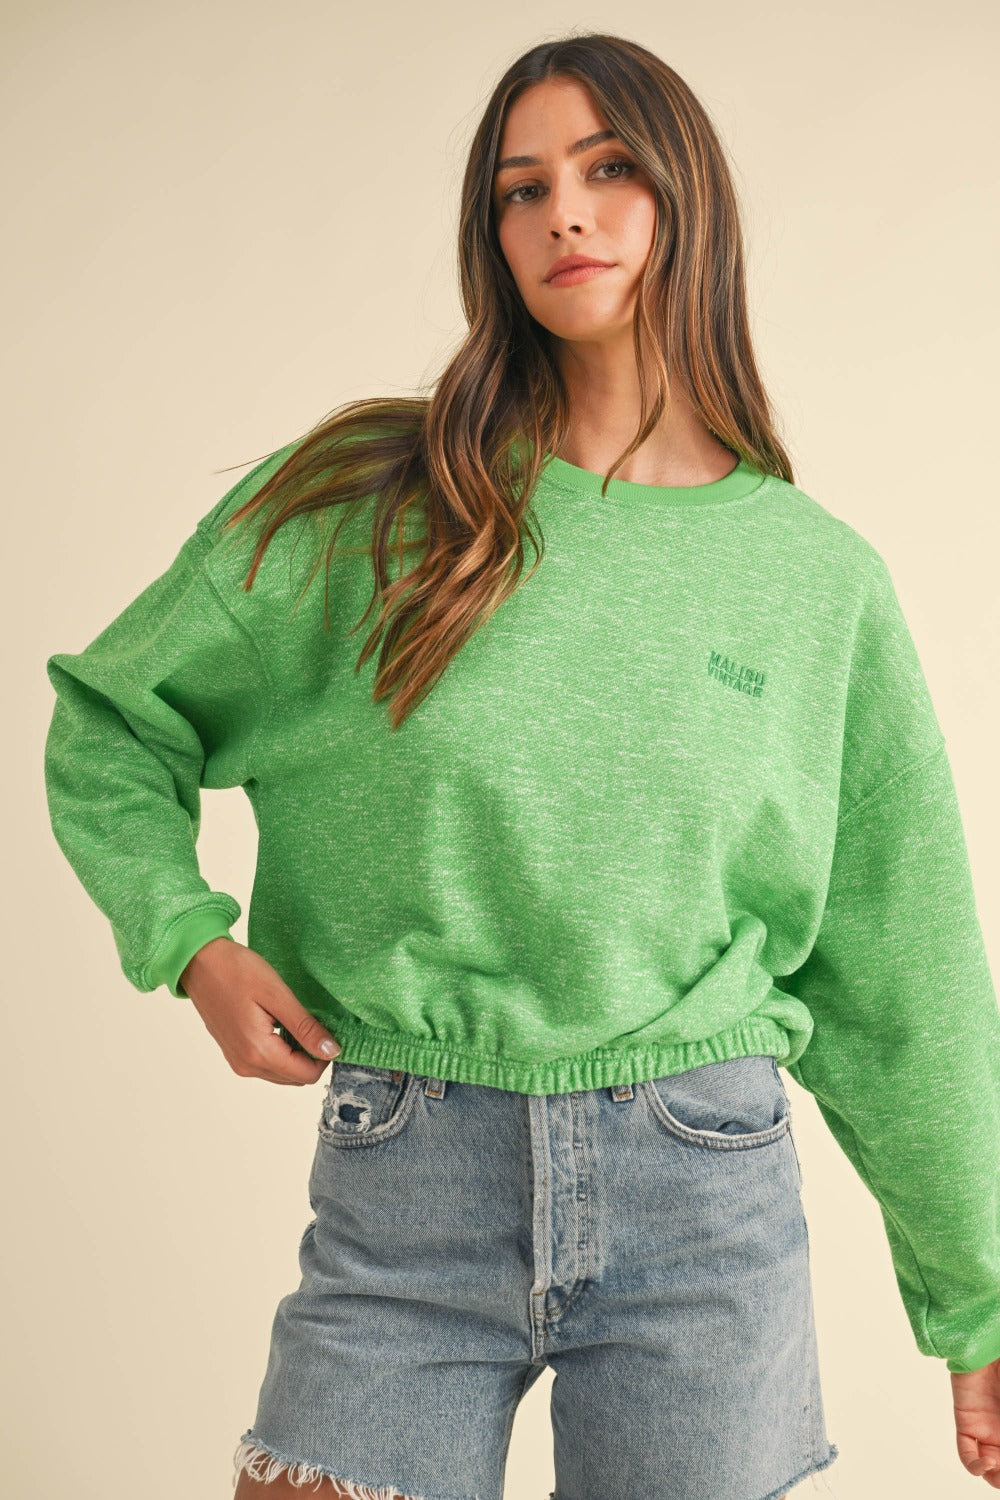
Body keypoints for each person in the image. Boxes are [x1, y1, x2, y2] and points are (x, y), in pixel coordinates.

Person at [42, 31, 999, 1500]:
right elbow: (112, 721)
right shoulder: (372, 504)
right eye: (521, 187)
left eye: (611, 170)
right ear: (490, 238)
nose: (566, 212)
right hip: (407, 1178)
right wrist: (187, 945)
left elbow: (902, 965)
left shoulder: (815, 583)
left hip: (705, 1191)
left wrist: (979, 1304)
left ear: (687, 201)